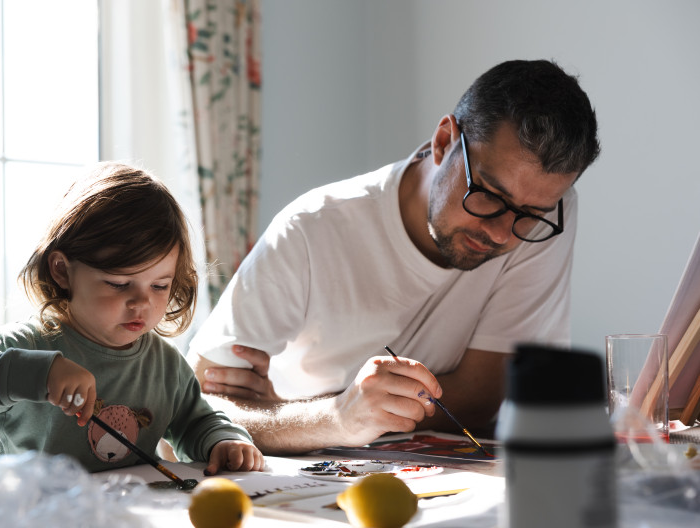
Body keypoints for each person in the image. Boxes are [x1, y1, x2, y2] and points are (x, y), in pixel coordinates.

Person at [186, 59, 601, 455]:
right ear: (443, 142)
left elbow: (482, 397)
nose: (500, 232)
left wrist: (291, 416)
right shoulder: (312, 229)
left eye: (530, 216)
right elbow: (193, 413)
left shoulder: (546, 213)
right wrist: (335, 417)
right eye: (489, 196)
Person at [0, 162, 264, 474]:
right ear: (62, 271)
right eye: (119, 284)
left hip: (130, 516)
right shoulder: (26, 345)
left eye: (160, 285)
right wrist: (37, 373)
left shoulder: (163, 362)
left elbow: (196, 422)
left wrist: (224, 440)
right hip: (37, 517)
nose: (142, 301)